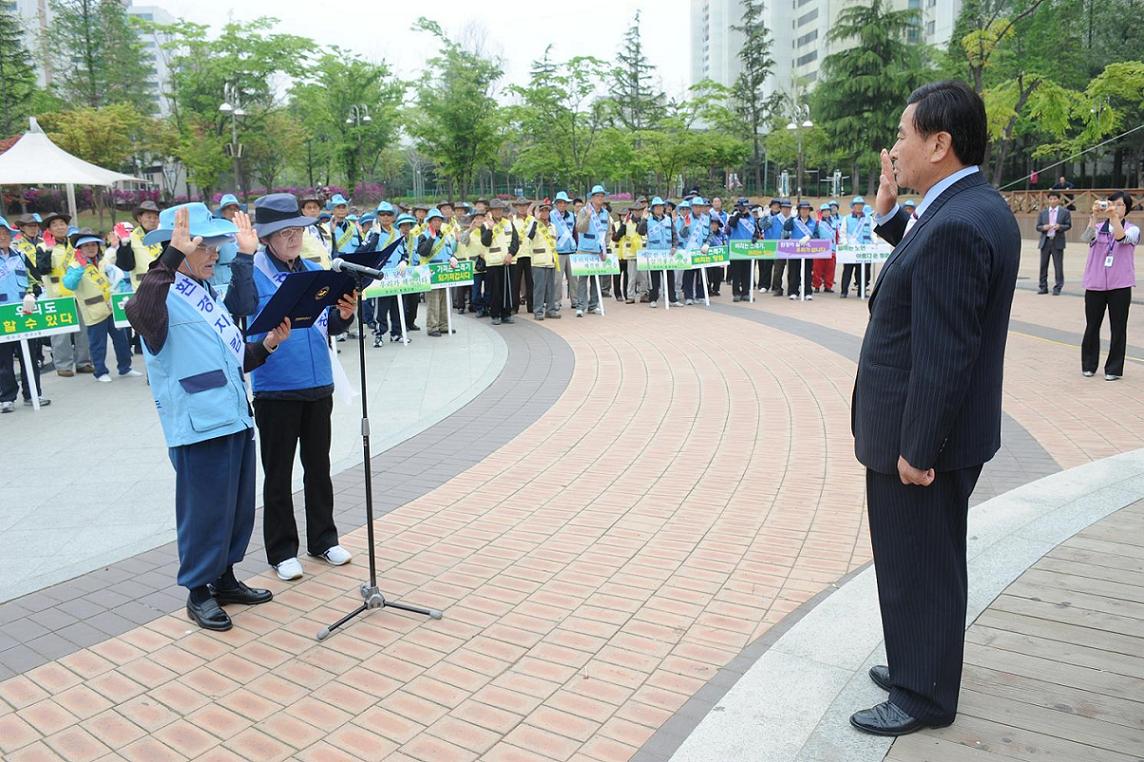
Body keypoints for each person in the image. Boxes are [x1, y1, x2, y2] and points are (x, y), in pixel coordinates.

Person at [851, 80, 1020, 736]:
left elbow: (945, 354)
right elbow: (928, 273)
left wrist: (917, 449)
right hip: (939, 433)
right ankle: (919, 664)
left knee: (918, 564)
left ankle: (923, 695)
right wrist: (891, 213)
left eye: (903, 134)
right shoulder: (969, 208)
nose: (895, 147)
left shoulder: (959, 222)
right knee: (928, 558)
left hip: (923, 440)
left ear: (940, 143)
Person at [126, 204, 287, 631]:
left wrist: (267, 346)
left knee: (235, 510)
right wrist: (169, 260)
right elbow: (139, 314)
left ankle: (225, 579)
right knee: (204, 513)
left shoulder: (208, 294)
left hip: (233, 417)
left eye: (217, 245)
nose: (216, 253)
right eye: (206, 245)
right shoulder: (160, 297)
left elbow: (234, 361)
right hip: (197, 427)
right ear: (178, 249)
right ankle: (198, 592)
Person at [248, 194, 358, 581]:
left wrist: (345, 314)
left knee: (319, 467)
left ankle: (323, 539)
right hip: (276, 387)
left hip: (318, 383)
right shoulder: (254, 275)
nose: (295, 237)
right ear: (267, 238)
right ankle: (281, 551)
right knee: (278, 473)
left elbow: (327, 325)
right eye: (285, 232)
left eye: (298, 229)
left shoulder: (313, 268)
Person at [62, 228, 141, 383]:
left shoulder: (103, 261)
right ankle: (100, 371)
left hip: (111, 307)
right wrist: (79, 270)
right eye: (86, 246)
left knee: (122, 340)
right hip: (93, 311)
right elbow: (69, 284)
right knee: (98, 344)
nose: (91, 248)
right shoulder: (74, 265)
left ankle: (125, 368)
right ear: (79, 249)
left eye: (94, 244)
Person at [1080, 191, 1137, 381]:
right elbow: (1087, 238)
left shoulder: (1132, 229)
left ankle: (1113, 369)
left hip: (1120, 286)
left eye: (1121, 205)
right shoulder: (1097, 227)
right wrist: (1094, 216)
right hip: (1095, 284)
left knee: (1118, 327)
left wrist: (1114, 219)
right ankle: (1088, 365)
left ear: (1126, 209)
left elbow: (1121, 238)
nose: (1116, 207)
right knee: (1092, 326)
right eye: (1113, 203)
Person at [0, 217, 49, 412]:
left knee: (29, 355)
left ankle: (33, 393)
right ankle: (7, 397)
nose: (2, 237)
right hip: (2, 315)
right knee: (3, 360)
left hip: (24, 313)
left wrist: (32, 294)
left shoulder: (20, 256)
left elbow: (37, 280)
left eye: (5, 234)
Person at [37, 211, 93, 376]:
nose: (60, 227)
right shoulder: (42, 247)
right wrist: (48, 251)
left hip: (78, 292)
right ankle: (63, 365)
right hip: (58, 295)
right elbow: (43, 269)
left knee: (83, 330)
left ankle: (84, 362)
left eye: (62, 223)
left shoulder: (75, 244)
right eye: (55, 224)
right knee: (61, 333)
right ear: (49, 229)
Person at [417, 208, 458, 337]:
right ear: (429, 222)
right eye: (434, 220)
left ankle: (444, 325)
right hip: (431, 272)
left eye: (439, 220)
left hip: (444, 272)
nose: (437, 223)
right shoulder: (423, 235)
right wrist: (431, 238)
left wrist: (452, 257)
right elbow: (423, 251)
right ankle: (432, 326)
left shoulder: (444, 236)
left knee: (445, 299)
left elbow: (449, 251)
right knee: (433, 301)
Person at [481, 200, 519, 325]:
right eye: (495, 209)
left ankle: (506, 313)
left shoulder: (508, 223)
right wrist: (491, 229)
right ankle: (495, 315)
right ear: (491, 211)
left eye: (500, 209)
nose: (498, 211)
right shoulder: (486, 225)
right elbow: (485, 242)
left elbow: (515, 241)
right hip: (493, 262)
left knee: (508, 289)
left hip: (508, 261)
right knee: (494, 291)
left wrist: (510, 254)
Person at [639, 197, 680, 308]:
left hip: (667, 253)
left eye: (661, 206)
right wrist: (643, 219)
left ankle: (672, 299)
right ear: (652, 208)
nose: (659, 209)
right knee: (654, 278)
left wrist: (675, 246)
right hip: (654, 253)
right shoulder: (648, 220)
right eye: (657, 207)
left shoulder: (668, 219)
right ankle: (653, 299)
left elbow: (674, 235)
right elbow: (640, 232)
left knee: (670, 277)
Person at [526, 199, 562, 320]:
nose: (545, 213)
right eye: (542, 211)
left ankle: (550, 310)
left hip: (551, 261)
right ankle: (538, 311)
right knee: (539, 288)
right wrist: (535, 220)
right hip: (538, 261)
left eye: (547, 210)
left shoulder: (552, 227)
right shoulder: (533, 224)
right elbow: (530, 236)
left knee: (551, 287)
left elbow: (555, 241)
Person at [1035, 190, 1072, 295]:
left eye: (1055, 199)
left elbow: (1068, 225)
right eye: (1050, 199)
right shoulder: (1043, 212)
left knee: (1058, 266)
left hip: (1057, 241)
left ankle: (1058, 287)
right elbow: (1037, 227)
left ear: (1059, 200)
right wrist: (1043, 227)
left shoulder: (1065, 212)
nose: (1052, 201)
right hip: (1045, 241)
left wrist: (1059, 227)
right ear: (1048, 200)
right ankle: (1043, 287)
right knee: (1043, 265)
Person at [783, 201, 820, 300]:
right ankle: (793, 291)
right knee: (794, 271)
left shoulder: (813, 222)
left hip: (808, 250)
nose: (804, 211)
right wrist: (791, 217)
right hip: (794, 250)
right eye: (802, 209)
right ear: (799, 211)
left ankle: (808, 292)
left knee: (807, 272)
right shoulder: (794, 220)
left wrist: (810, 236)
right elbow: (786, 227)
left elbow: (817, 235)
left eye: (807, 209)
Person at [840, 196, 873, 298]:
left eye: (861, 205)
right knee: (847, 271)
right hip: (851, 249)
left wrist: (874, 244)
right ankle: (844, 291)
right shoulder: (847, 218)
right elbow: (843, 232)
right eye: (857, 205)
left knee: (863, 271)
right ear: (853, 207)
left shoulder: (869, 218)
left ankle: (861, 291)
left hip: (864, 249)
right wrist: (845, 244)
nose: (859, 207)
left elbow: (873, 232)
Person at [682, 198, 712, 305]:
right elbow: (682, 234)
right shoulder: (687, 218)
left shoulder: (707, 219)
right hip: (690, 250)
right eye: (696, 206)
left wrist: (707, 244)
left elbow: (710, 234)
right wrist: (685, 227)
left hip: (702, 249)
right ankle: (688, 296)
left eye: (700, 206)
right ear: (692, 207)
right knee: (689, 274)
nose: (698, 209)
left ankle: (700, 295)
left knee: (701, 274)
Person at [611, 203, 643, 303]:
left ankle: (626, 294)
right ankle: (618, 294)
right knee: (617, 276)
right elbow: (615, 238)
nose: (624, 217)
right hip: (617, 255)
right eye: (622, 215)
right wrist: (623, 226)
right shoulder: (616, 225)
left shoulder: (632, 224)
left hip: (628, 254)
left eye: (626, 215)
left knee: (628, 276)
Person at [510, 197, 534, 314]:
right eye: (520, 206)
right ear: (516, 207)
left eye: (524, 205)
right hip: (517, 255)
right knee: (515, 283)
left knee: (531, 282)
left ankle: (531, 306)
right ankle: (514, 306)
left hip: (530, 254)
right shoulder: (512, 220)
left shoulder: (533, 219)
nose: (522, 208)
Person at [758, 198, 784, 293]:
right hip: (768, 243)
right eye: (774, 205)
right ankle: (765, 285)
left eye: (777, 205)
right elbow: (762, 226)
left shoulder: (783, 217)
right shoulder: (767, 216)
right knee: (767, 266)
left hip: (780, 244)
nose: (776, 207)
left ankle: (776, 286)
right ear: (771, 206)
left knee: (778, 268)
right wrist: (763, 217)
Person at [769, 199, 793, 295]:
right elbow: (763, 226)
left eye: (788, 208)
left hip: (791, 246)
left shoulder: (794, 219)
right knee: (778, 269)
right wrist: (764, 217)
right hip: (778, 246)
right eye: (784, 208)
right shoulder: (774, 219)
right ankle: (777, 288)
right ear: (781, 208)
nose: (786, 210)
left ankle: (792, 289)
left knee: (792, 269)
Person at [813, 203, 839, 293]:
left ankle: (828, 286)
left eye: (828, 211)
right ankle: (816, 285)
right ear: (821, 212)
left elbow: (837, 236)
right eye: (824, 211)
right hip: (820, 248)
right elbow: (815, 235)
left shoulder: (835, 223)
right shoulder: (818, 223)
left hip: (832, 248)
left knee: (830, 268)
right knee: (818, 268)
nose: (826, 213)